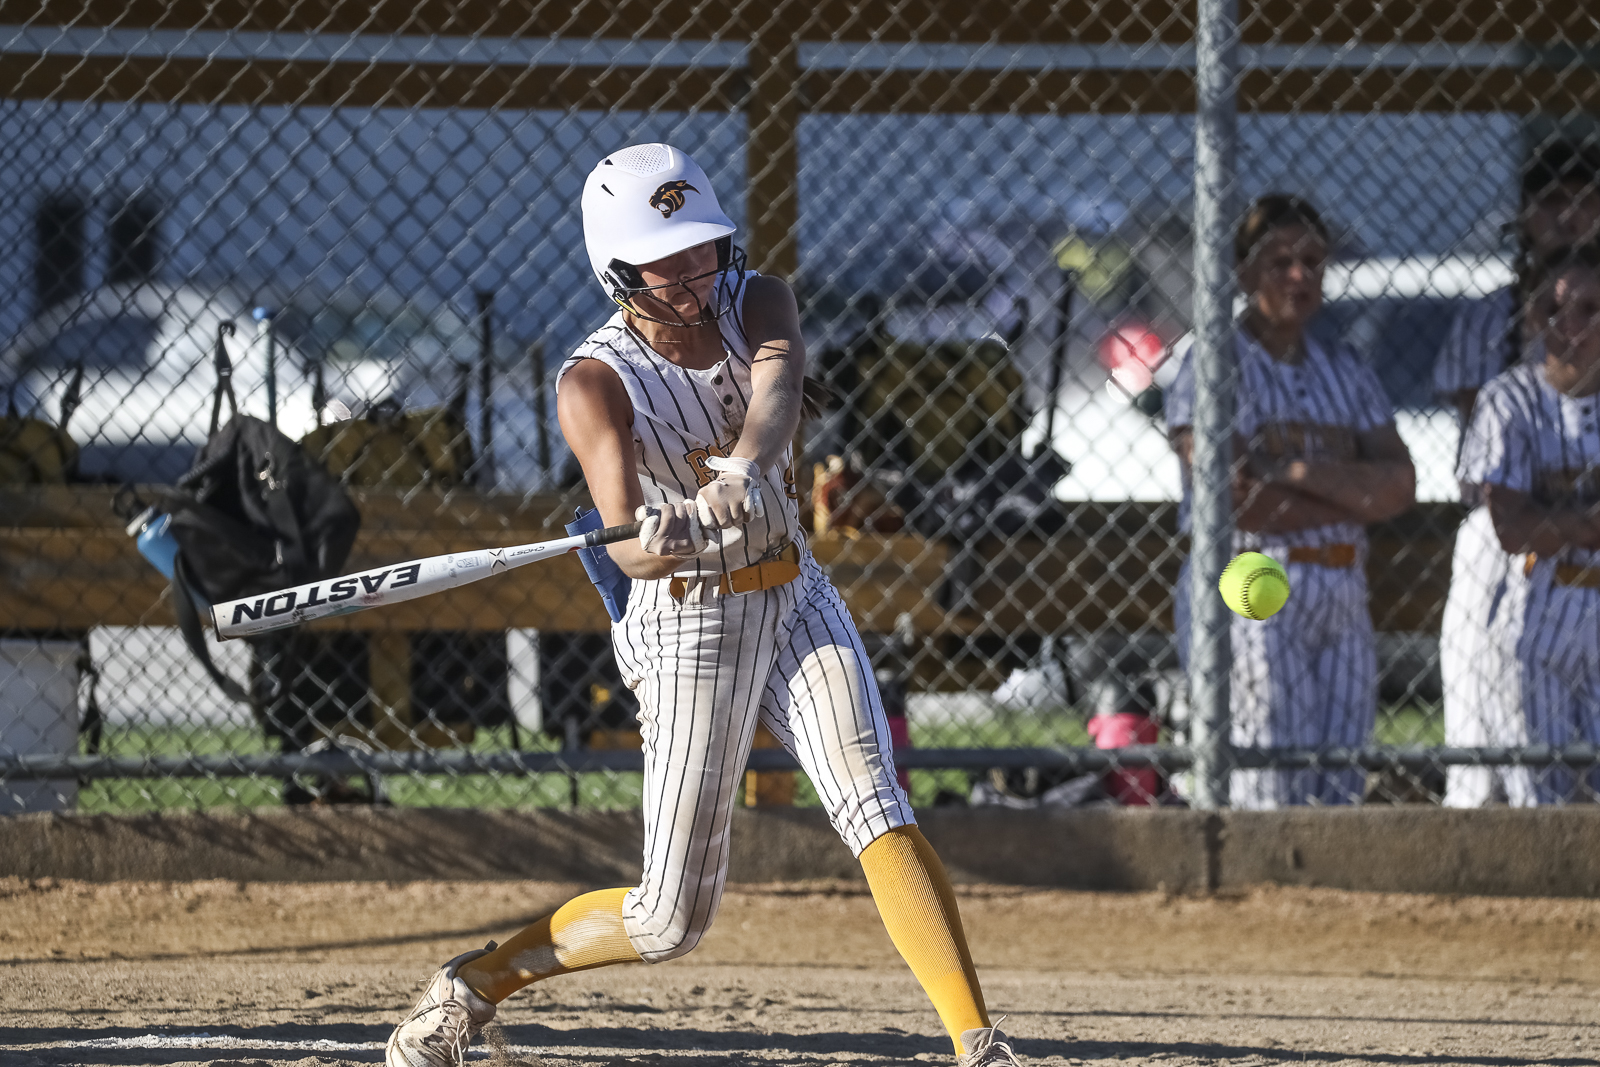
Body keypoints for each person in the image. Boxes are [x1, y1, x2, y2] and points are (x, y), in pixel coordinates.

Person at [384, 143, 1023, 1067]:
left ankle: (977, 1041)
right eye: (666, 261)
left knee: (874, 799)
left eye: (702, 250)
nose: (693, 276)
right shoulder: (592, 382)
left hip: (793, 588)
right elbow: (628, 546)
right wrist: (668, 533)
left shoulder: (757, 297)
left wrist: (741, 468)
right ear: (616, 271)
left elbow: (776, 390)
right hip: (686, 619)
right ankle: (475, 983)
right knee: (666, 918)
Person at [1166, 193, 1416, 808]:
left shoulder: (1346, 368)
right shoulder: (1214, 362)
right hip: (1252, 583)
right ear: (1244, 272)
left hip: (1340, 588)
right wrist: (1350, 493)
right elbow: (1234, 500)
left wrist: (1293, 469)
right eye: (1279, 261)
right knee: (1265, 785)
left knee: (1340, 782)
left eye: (1312, 260)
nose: (1299, 275)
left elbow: (1400, 485)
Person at [1435, 141, 1600, 807]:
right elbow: (1494, 446)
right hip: (1502, 537)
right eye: (1552, 201)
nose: (1569, 215)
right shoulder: (1492, 318)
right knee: (1484, 726)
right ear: (1525, 215)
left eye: (1586, 199)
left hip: (1570, 531)